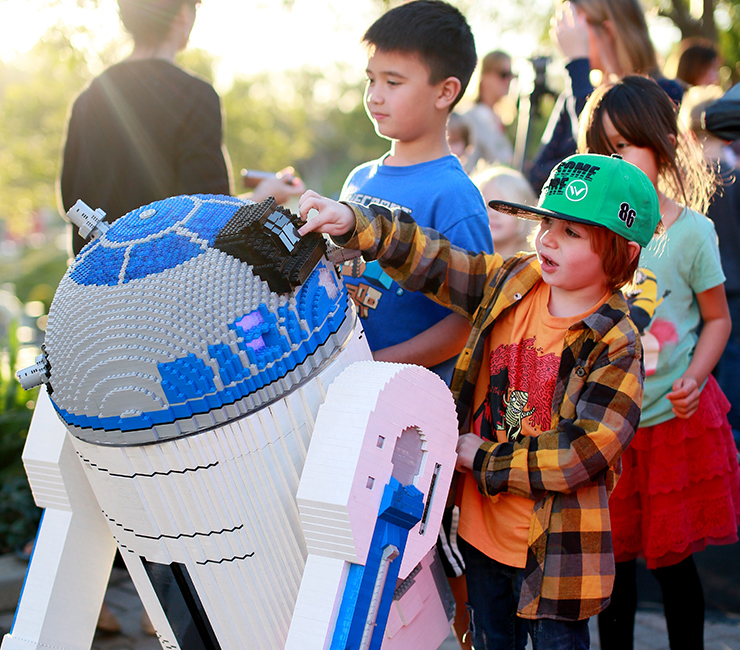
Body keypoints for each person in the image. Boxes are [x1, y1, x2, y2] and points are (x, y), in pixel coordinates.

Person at [297, 150, 661, 650]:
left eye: (572, 233)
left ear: (623, 253)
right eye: (547, 222)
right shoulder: (515, 281)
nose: (548, 238)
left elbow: (586, 450)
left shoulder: (616, 341)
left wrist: (482, 458)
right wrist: (359, 225)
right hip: (480, 540)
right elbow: (440, 263)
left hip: (554, 561)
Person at [578, 75, 740, 650]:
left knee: (673, 567)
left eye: (623, 145)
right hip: (606, 430)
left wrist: (696, 379)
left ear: (661, 142)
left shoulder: (694, 233)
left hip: (671, 425)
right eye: (601, 148)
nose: (613, 159)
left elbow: (717, 318)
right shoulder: (591, 235)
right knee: (613, 568)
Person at [60, 0, 303, 256]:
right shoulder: (195, 96)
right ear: (180, 16)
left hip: (96, 287)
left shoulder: (87, 100)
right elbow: (208, 219)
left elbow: (73, 207)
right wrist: (264, 197)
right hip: (165, 286)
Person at [338, 0, 493, 389]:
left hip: (404, 399)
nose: (375, 95)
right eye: (370, 79)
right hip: (339, 379)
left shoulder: (455, 195)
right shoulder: (359, 178)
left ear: (445, 92)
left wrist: (378, 364)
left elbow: (468, 318)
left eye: (393, 82)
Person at [528, 0, 683, 193]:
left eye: (576, 25)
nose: (567, 36)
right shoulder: (574, 95)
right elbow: (537, 177)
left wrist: (577, 64)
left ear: (608, 30)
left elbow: (599, 155)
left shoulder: (665, 91)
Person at [680, 85, 740, 441]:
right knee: (731, 364)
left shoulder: (685, 181)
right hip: (733, 289)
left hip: (694, 290)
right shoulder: (734, 176)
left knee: (696, 366)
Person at [463, 50, 515, 172]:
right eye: (503, 74)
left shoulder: (499, 120)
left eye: (511, 76)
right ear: (485, 76)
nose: (508, 81)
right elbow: (467, 168)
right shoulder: (468, 120)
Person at [474, 165, 537, 256]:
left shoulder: (533, 266)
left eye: (503, 208)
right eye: (485, 206)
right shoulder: (463, 261)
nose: (493, 214)